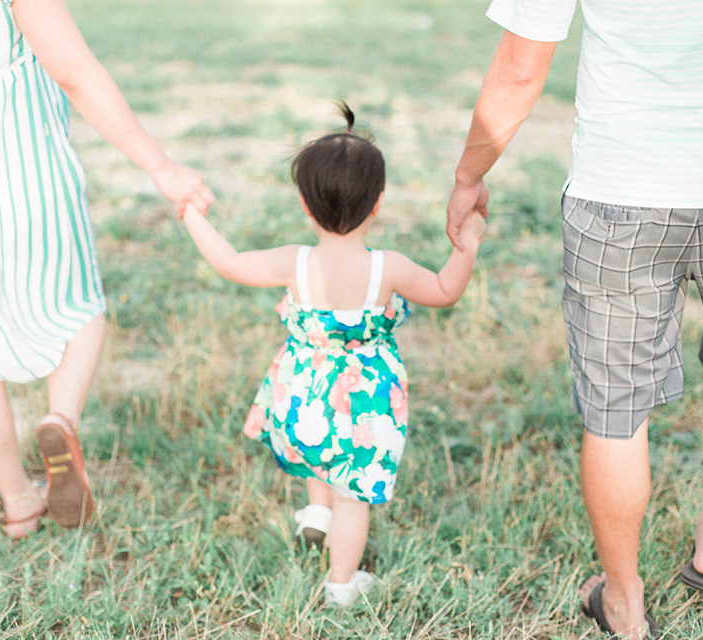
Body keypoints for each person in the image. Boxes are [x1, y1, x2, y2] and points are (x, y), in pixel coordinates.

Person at [446, 2, 703, 638]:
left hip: (620, 197)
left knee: (616, 409)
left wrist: (469, 174)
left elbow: (519, 67)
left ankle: (623, 602)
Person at [0, 0, 215, 538]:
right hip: (20, 153)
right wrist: (160, 165)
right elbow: (73, 71)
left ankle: (18, 504)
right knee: (75, 298)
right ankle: (61, 420)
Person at [181, 103, 486, 606]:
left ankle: (315, 515)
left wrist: (192, 214)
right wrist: (467, 245)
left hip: (302, 393)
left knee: (318, 454)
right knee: (354, 496)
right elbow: (444, 290)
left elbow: (230, 263)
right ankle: (341, 584)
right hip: (365, 403)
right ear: (378, 204)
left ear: (304, 204)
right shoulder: (388, 268)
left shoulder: (294, 262)